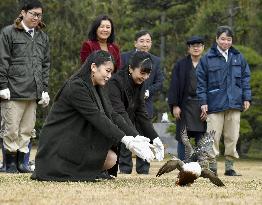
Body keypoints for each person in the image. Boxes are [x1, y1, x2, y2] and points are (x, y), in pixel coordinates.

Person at [31, 50, 155, 182]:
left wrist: (136, 137)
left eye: (111, 72)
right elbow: (97, 117)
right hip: (58, 147)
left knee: (112, 158)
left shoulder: (98, 87)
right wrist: (126, 140)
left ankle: (88, 171)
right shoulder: (76, 86)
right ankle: (68, 170)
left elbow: (113, 115)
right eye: (107, 71)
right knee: (110, 156)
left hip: (73, 141)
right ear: (94, 67)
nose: (109, 76)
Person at [0, 0, 50, 173]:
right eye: (33, 14)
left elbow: (45, 65)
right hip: (13, 91)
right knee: (11, 129)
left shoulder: (43, 37)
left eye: (39, 15)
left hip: (33, 92)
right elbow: (2, 60)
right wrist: (2, 85)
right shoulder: (8, 33)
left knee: (27, 130)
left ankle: (22, 163)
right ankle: (9, 164)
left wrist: (44, 89)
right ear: (23, 13)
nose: (37, 18)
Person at [196, 26, 252, 176]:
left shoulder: (238, 56)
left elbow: (246, 78)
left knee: (232, 137)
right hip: (214, 104)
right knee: (212, 137)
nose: (226, 42)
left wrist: (246, 97)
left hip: (234, 103)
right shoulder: (207, 58)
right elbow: (201, 82)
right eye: (223, 39)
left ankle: (229, 168)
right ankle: (212, 168)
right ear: (216, 39)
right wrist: (203, 101)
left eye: (229, 39)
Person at [108, 51, 165, 174]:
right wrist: (136, 137)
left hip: (120, 124)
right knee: (109, 161)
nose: (145, 77)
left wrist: (155, 138)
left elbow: (141, 113)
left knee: (110, 172)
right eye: (142, 73)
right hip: (108, 127)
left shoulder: (140, 83)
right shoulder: (115, 83)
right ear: (130, 68)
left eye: (148, 74)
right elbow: (119, 113)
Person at [168, 36, 206, 163]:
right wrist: (175, 105)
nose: (196, 48)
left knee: (202, 136)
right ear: (189, 48)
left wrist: (208, 105)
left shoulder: (207, 64)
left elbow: (213, 86)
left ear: (203, 48)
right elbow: (174, 85)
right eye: (193, 46)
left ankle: (201, 165)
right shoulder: (180, 65)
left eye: (199, 45)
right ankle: (183, 164)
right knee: (183, 136)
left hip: (202, 105)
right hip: (184, 104)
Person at [121, 30, 164, 119]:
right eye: (142, 41)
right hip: (125, 105)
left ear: (151, 43)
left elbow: (159, 82)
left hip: (145, 106)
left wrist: (147, 92)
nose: (145, 44)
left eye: (148, 41)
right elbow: (119, 77)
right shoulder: (124, 57)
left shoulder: (156, 61)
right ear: (135, 43)